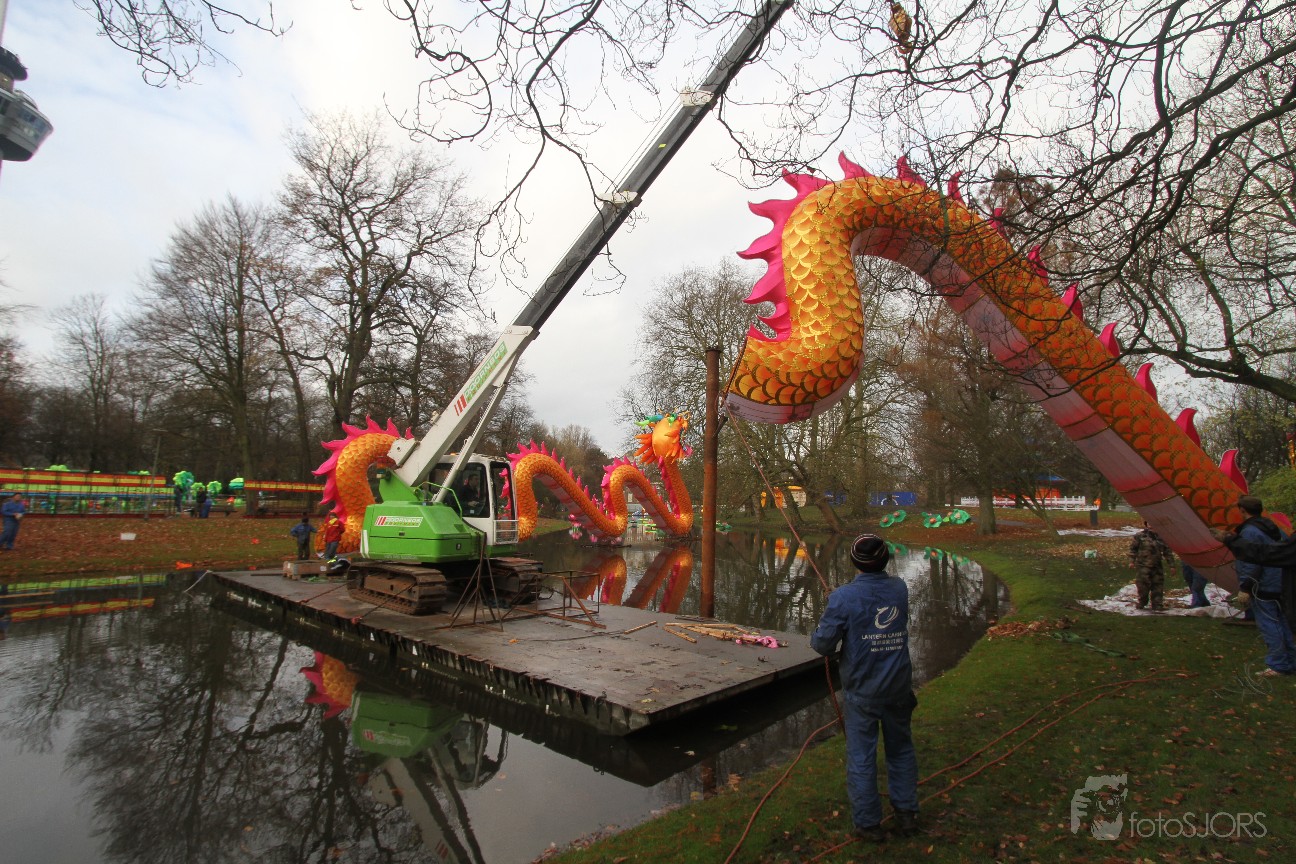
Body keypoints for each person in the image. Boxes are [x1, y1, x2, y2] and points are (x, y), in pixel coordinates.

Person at [810, 534, 919, 842]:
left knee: (861, 757)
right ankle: (907, 815)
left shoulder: (844, 598)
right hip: (899, 687)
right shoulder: (899, 588)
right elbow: (869, 605)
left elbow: (822, 644)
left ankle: (868, 825)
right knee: (901, 750)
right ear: (885, 560)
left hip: (863, 691)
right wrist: (840, 600)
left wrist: (834, 607)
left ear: (854, 562)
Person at [1231, 495, 1294, 676]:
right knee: (1283, 623)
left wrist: (1246, 587)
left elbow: (1251, 560)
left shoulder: (1250, 532)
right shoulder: (1275, 528)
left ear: (1243, 510)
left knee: (1269, 624)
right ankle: (1291, 660)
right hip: (1281, 582)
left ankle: (1278, 664)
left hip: (1263, 584)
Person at [1128, 522, 1173, 610]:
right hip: (1143, 566)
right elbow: (1133, 549)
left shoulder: (1161, 537)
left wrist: (1172, 566)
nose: (1151, 525)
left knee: (1158, 586)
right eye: (1149, 523)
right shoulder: (1140, 536)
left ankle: (1157, 604)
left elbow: (1167, 552)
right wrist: (1131, 561)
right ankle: (1142, 602)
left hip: (1157, 566)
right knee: (1143, 586)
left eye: (1153, 523)